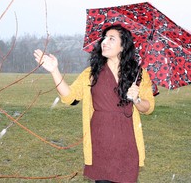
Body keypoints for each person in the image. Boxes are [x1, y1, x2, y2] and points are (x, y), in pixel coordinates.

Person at [34, 24, 155, 183]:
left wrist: (137, 99)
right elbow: (70, 96)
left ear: (123, 46)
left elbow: (149, 108)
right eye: (104, 38)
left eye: (111, 39)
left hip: (127, 143)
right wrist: (54, 71)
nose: (105, 42)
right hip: (100, 141)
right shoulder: (91, 73)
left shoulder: (139, 75)